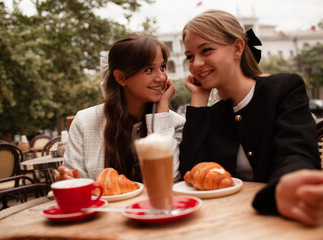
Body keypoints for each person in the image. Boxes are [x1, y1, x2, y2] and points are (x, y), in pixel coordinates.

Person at [178, 9, 321, 225]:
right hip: (224, 222)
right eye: (190, 56)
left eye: (206, 50)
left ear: (237, 48)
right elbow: (193, 173)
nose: (196, 63)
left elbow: (296, 154)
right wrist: (198, 99)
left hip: (282, 217)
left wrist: (286, 185)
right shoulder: (214, 114)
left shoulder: (283, 89)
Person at [56, 32, 185, 182]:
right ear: (121, 77)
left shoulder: (176, 123)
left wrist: (162, 113)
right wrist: (67, 180)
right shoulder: (85, 121)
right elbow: (75, 181)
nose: (162, 77)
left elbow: (168, 178)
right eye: (149, 69)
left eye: (162, 67)